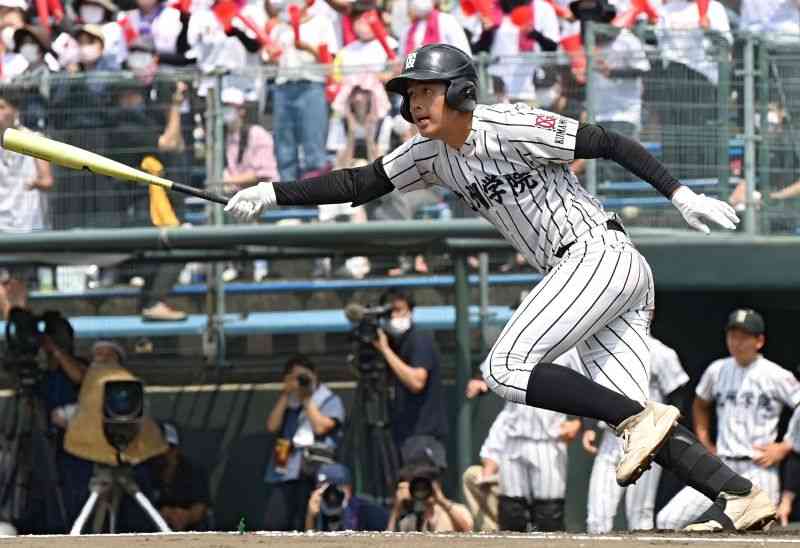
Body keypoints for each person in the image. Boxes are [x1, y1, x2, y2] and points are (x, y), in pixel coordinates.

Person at [224, 42, 772, 532]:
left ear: (460, 91)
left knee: (505, 367)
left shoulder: (509, 124)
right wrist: (272, 192)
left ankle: (643, 418)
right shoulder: (428, 153)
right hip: (594, 274)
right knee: (626, 417)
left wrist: (680, 195)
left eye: (426, 92)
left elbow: (605, 141)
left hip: (595, 254)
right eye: (409, 94)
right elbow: (358, 183)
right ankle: (739, 494)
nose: (414, 104)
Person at [656, 309, 800, 530]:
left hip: (758, 470)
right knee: (668, 519)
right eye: (732, 335)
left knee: (752, 536)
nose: (736, 342)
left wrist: (785, 446)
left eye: (744, 337)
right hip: (721, 467)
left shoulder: (777, 375)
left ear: (759, 341)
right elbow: (700, 403)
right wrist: (704, 440)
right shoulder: (717, 370)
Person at [583, 328, 689, 533]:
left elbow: (677, 396)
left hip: (646, 440)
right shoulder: (606, 348)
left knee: (640, 515)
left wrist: (665, 434)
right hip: (611, 437)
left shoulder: (660, 352)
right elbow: (591, 390)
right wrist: (589, 427)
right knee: (597, 516)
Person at [464, 348, 582, 532]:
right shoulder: (518, 339)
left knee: (548, 515)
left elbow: (584, 381)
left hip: (548, 440)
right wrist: (480, 379)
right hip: (514, 438)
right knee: (512, 513)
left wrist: (579, 420)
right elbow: (491, 365)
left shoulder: (569, 346)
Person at [263, 355, 345, 531]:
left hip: (313, 468)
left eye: (304, 377)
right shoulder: (288, 402)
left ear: (315, 375)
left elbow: (321, 428)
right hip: (284, 465)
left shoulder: (329, 399)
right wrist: (286, 393)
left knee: (305, 519)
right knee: (275, 522)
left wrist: (307, 398)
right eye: (295, 377)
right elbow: (272, 426)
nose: (300, 382)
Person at [262, 0, 339, 182]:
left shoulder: (321, 23)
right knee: (284, 142)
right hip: (283, 87)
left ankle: (316, 190)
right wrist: (271, 56)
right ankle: (287, 188)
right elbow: (271, 60)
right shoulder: (279, 28)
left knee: (313, 140)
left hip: (311, 86)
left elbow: (330, 60)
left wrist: (308, 48)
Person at [371, 288, 447, 450]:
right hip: (401, 433)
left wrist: (385, 350)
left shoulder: (419, 339)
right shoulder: (393, 342)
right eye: (389, 312)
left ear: (410, 312)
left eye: (398, 310)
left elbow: (417, 381)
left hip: (422, 435)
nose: (393, 317)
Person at [0, 88, 53, 240]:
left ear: (15, 110)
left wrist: (33, 183)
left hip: (28, 224)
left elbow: (47, 181)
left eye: (2, 107)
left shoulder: (34, 139)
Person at [150, 422, 211, 532]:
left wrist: (186, 516)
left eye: (170, 447)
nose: (165, 452)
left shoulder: (195, 471)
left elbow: (201, 506)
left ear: (177, 449)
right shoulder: (143, 471)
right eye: (159, 447)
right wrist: (159, 515)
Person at [387, 457, 473, 532]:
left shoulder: (457, 510)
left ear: (438, 483)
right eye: (418, 487)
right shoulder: (411, 520)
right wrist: (396, 508)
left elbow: (468, 532)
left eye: (427, 484)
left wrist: (442, 501)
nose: (423, 489)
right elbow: (388, 541)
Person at [305, 463, 389, 531]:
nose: (331, 496)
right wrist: (310, 517)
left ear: (349, 489)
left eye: (336, 488)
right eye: (325, 489)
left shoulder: (368, 511)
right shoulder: (315, 512)